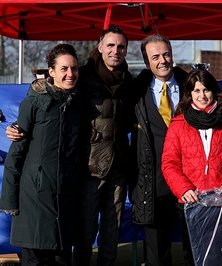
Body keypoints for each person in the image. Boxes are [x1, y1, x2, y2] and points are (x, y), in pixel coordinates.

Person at [0, 44, 81, 266]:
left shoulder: (78, 106)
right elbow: (15, 155)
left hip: (64, 201)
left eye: (74, 68)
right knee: (35, 260)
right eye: (64, 68)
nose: (70, 74)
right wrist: (9, 200)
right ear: (51, 71)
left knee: (62, 259)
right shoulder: (33, 103)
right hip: (34, 201)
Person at [161, 69, 222, 262]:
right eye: (197, 91)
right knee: (194, 256)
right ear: (190, 94)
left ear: (214, 91)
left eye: (206, 90)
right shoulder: (178, 124)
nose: (202, 95)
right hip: (192, 202)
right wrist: (184, 189)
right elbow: (169, 163)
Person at [71, 25, 134, 266]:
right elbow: (53, 92)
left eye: (120, 46)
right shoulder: (82, 76)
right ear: (100, 47)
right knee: (85, 230)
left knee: (112, 228)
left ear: (126, 50)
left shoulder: (129, 80)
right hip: (90, 167)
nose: (115, 50)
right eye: (110, 45)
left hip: (119, 164)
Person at [130, 34, 188, 266]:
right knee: (157, 256)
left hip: (189, 182)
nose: (162, 60)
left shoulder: (192, 86)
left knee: (195, 252)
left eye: (166, 54)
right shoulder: (135, 92)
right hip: (152, 184)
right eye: (155, 57)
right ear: (147, 62)